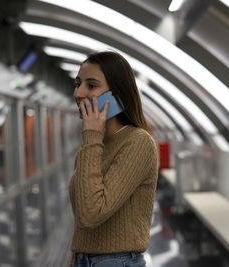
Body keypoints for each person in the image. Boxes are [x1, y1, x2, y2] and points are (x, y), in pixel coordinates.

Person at [69, 51, 159, 267]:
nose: (79, 93)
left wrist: (91, 136)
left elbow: (92, 213)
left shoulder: (138, 142)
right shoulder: (95, 143)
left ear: (117, 95)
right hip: (84, 260)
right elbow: (82, 216)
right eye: (78, 83)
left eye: (91, 86)